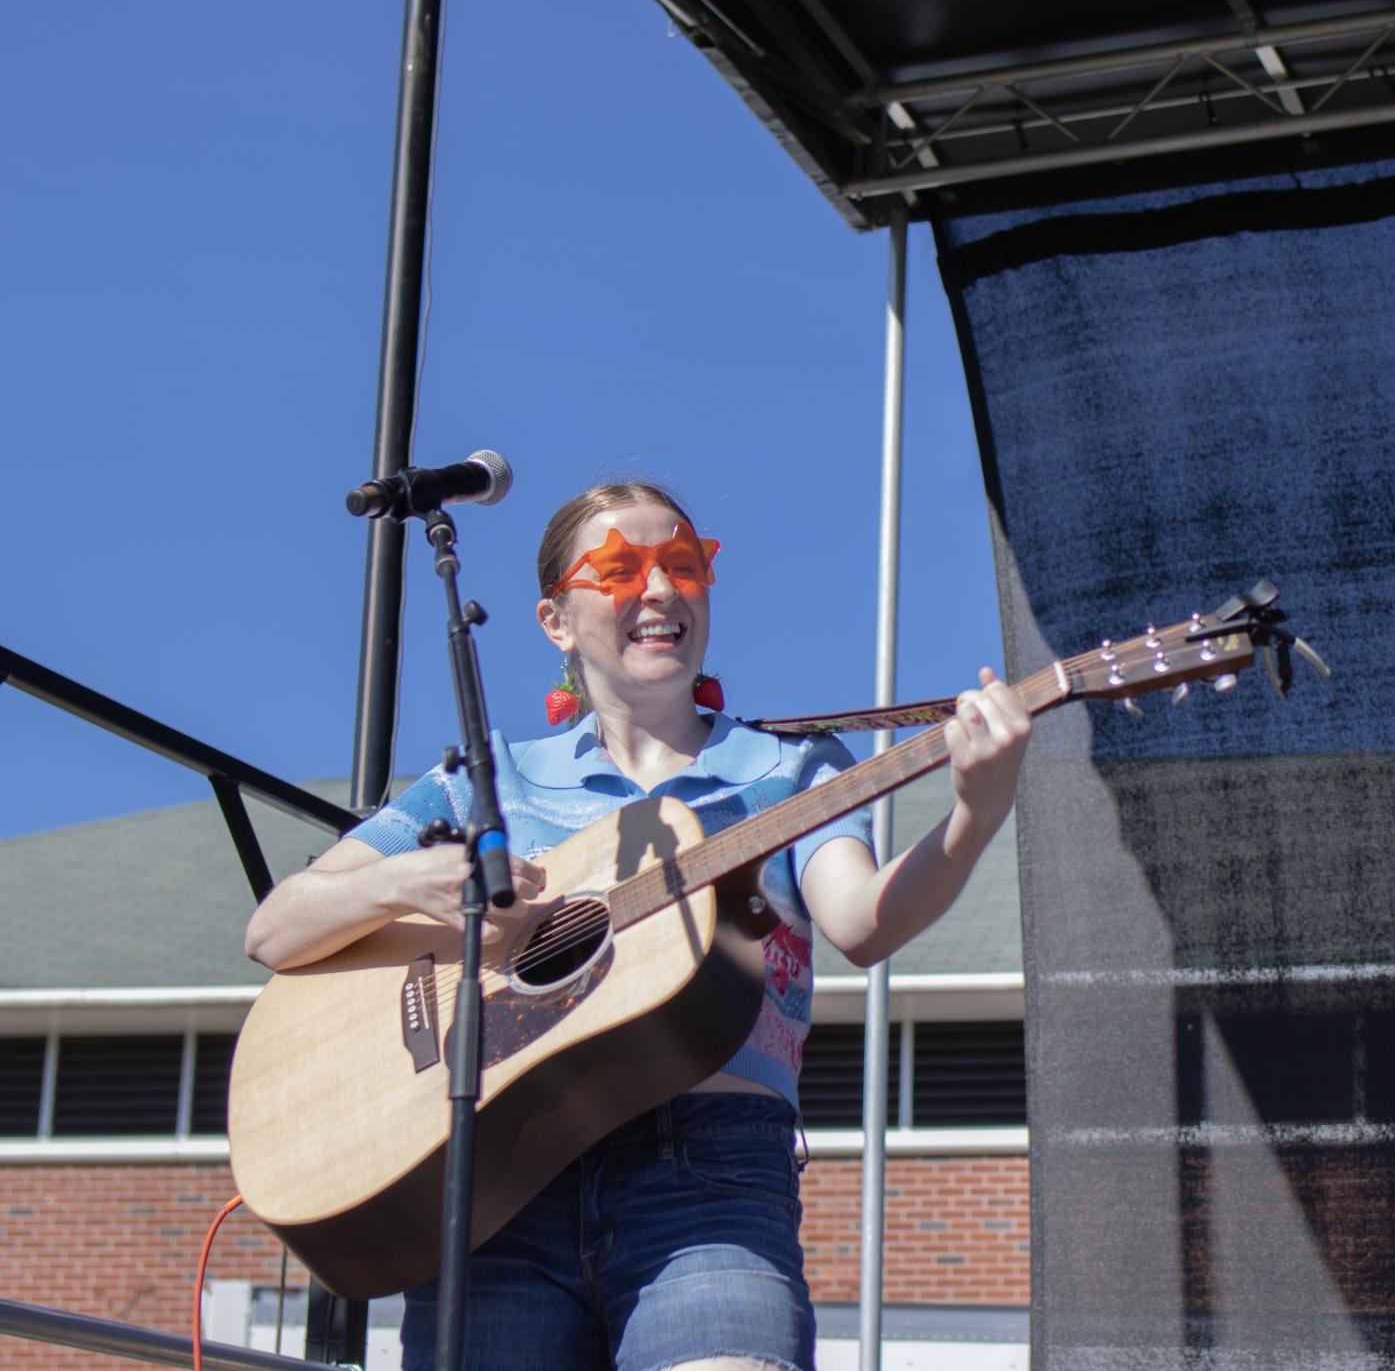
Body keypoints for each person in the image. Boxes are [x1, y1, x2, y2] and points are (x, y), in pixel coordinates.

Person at [244, 479, 1030, 1371]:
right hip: (502, 1182)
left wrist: (975, 810)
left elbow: (863, 923)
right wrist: (402, 883)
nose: (658, 590)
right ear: (555, 619)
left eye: (683, 566)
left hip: (710, 1178)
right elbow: (277, 929)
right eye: (620, 568)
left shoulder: (789, 769)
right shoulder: (486, 780)